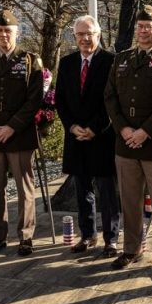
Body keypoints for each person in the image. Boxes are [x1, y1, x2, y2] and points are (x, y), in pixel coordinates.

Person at [104, 5, 152, 277]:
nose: (143, 31)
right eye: (139, 27)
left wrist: (145, 131)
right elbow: (110, 97)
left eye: (148, 27)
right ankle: (132, 248)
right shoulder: (121, 59)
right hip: (126, 142)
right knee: (129, 199)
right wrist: (124, 129)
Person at [0, 10, 44, 257]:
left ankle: (26, 236)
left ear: (17, 32)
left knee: (25, 189)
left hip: (20, 134)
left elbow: (35, 99)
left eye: (8, 31)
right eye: (0, 31)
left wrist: (11, 126)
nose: (4, 35)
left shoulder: (30, 60)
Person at [55, 15, 121, 257]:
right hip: (75, 137)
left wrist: (94, 128)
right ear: (74, 37)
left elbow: (113, 101)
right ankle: (87, 234)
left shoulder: (111, 61)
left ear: (98, 35)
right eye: (80, 34)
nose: (84, 38)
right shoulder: (67, 62)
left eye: (89, 33)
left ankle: (111, 238)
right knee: (82, 190)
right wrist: (71, 127)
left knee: (107, 192)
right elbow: (60, 100)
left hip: (102, 137)